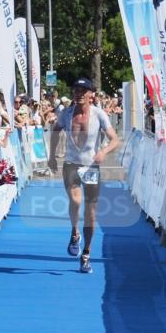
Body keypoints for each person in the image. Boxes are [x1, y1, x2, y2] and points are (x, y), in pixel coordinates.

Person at [48, 77, 119, 274]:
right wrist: (51, 156)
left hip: (91, 167)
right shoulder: (66, 113)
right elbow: (55, 130)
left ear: (91, 95)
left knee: (91, 213)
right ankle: (74, 232)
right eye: (76, 90)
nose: (78, 94)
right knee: (75, 201)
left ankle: (86, 254)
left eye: (83, 91)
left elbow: (115, 140)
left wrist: (103, 152)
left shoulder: (99, 114)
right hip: (71, 164)